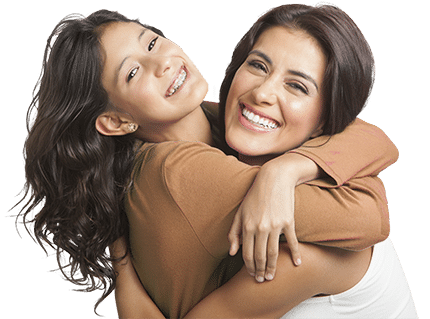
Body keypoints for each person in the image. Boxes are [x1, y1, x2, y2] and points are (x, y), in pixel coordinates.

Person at [8, 5, 404, 318]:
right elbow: (367, 214)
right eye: (132, 72)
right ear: (116, 121)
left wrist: (287, 170)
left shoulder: (218, 124)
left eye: (151, 43)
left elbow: (372, 137)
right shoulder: (179, 171)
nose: (161, 61)